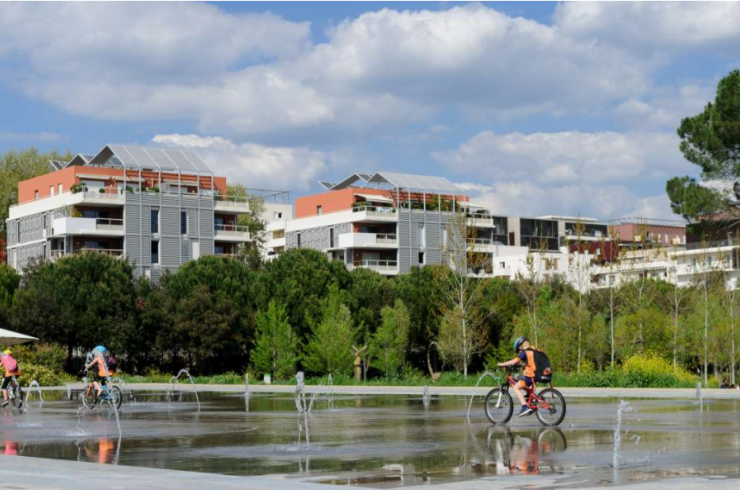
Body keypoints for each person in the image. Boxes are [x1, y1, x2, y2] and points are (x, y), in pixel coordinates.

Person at [498, 337, 538, 417]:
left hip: (531, 375)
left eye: (518, 350)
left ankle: (524, 407)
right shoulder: (534, 350)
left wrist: (502, 364)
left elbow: (513, 362)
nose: (519, 352)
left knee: (516, 387)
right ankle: (530, 398)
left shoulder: (525, 352)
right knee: (522, 383)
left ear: (521, 345)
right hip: (538, 374)